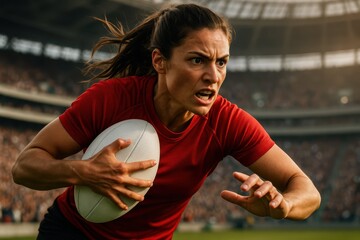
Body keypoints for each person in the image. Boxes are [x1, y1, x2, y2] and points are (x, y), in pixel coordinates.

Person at [12, 3, 321, 240]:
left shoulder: (227, 122)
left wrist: (284, 205)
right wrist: (83, 171)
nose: (214, 77)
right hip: (72, 233)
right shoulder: (112, 99)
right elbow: (24, 167)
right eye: (197, 59)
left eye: (222, 62)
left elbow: (307, 190)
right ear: (160, 61)